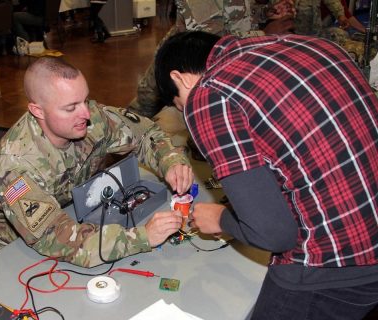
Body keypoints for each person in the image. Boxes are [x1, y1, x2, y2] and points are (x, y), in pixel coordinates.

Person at [154, 31, 378, 319]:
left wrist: (220, 218)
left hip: (336, 263)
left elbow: (276, 235)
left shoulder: (210, 94)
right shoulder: (314, 44)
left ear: (180, 78)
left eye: (180, 105)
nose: (188, 112)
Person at [0, 57, 194, 268]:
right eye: (71, 107)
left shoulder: (90, 119)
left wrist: (171, 161)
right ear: (37, 111)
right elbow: (59, 239)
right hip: (13, 254)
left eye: (85, 100)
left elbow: (146, 133)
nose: (86, 113)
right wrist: (143, 237)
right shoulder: (14, 167)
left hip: (74, 214)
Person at [128, 0, 295, 120]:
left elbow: (236, 14)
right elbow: (208, 44)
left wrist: (265, 12)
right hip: (187, 58)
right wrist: (263, 34)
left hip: (217, 61)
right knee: (144, 108)